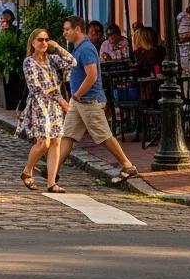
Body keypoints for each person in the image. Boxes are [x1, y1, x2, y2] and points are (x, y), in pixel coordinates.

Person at [59, 16, 139, 186]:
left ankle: (127, 165)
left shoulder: (86, 49)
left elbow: (92, 75)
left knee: (103, 136)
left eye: (67, 29)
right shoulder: (78, 48)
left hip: (89, 100)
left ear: (78, 30)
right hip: (79, 101)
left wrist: (78, 94)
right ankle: (52, 170)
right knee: (68, 135)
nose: (64, 33)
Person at [16, 29, 75, 193]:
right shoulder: (29, 62)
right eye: (40, 40)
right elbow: (36, 88)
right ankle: (28, 170)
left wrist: (57, 47)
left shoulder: (53, 59)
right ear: (33, 42)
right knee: (43, 143)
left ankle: (51, 182)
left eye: (46, 40)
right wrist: (54, 89)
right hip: (40, 105)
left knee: (56, 142)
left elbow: (72, 62)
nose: (43, 43)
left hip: (55, 105)